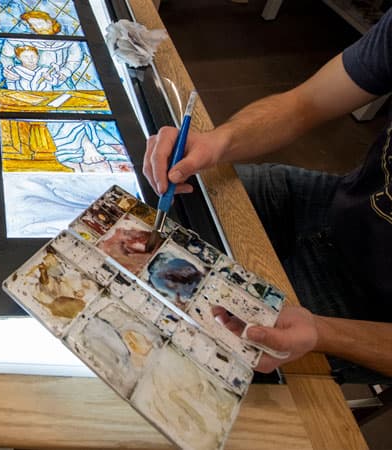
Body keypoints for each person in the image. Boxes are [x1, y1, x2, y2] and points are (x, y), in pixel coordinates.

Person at [143, 10, 392, 380]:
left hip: (366, 308)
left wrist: (323, 332)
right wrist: (218, 142)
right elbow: (305, 103)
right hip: (331, 203)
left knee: (177, 358)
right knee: (156, 205)